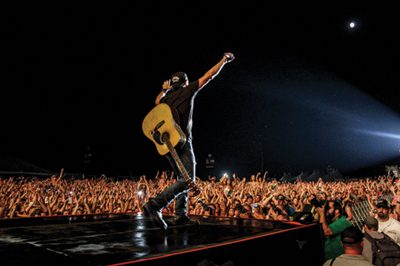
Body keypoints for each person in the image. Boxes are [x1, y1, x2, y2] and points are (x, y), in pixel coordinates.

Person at [143, 52, 235, 230]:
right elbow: (209, 76)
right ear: (185, 82)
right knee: (188, 180)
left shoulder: (167, 98)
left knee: (180, 177)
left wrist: (164, 90)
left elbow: (156, 103)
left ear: (173, 84)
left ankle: (181, 215)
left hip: (167, 144)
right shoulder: (188, 89)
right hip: (183, 142)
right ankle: (154, 206)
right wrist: (224, 60)